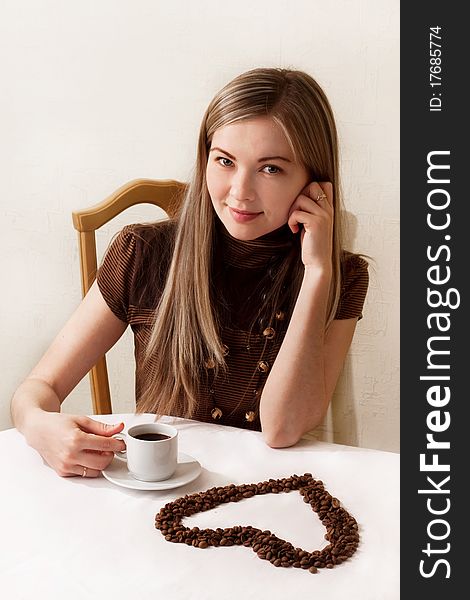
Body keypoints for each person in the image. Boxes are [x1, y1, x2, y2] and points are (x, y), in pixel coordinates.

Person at [10, 67, 369, 478]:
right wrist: (41, 427)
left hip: (268, 495)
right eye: (225, 161)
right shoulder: (142, 252)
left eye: (271, 168)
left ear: (315, 181)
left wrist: (317, 272)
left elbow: (282, 430)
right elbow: (36, 391)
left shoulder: (342, 276)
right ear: (205, 158)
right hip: (156, 496)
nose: (240, 191)